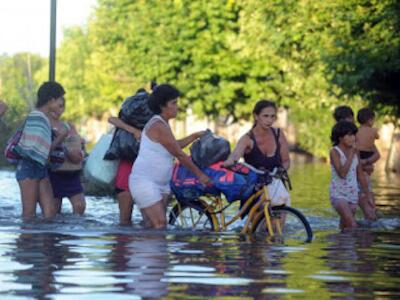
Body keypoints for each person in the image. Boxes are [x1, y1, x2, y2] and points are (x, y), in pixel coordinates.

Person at [129, 83, 212, 229]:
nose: (177, 106)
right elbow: (179, 153)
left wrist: (194, 136)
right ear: (162, 106)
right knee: (160, 224)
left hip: (160, 183)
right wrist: (200, 175)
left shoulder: (163, 123)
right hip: (145, 181)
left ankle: (143, 251)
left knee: (151, 226)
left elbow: (174, 146)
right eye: (173, 103)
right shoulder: (158, 125)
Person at [14, 81, 66, 220]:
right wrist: (60, 138)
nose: (61, 102)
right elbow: (34, 150)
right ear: (51, 100)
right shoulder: (37, 117)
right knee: (29, 214)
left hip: (40, 168)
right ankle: (26, 241)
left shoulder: (43, 119)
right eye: (60, 99)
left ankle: (44, 240)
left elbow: (42, 150)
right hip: (28, 168)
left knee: (50, 213)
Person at [332, 105, 377, 221]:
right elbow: (341, 169)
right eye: (340, 121)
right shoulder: (340, 139)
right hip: (344, 187)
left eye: (346, 120)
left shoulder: (357, 133)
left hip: (358, 181)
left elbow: (376, 154)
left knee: (370, 214)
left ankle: (361, 235)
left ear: (352, 118)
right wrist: (363, 164)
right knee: (350, 221)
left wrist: (365, 163)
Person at [223, 100, 290, 172]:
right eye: (265, 116)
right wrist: (226, 163)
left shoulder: (278, 134)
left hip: (276, 180)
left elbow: (286, 161)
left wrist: (279, 171)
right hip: (253, 182)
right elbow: (235, 156)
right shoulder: (247, 139)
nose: (270, 120)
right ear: (256, 116)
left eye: (272, 116)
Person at [329, 121, 371, 230]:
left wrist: (367, 194)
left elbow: (360, 174)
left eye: (353, 135)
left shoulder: (355, 151)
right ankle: (349, 245)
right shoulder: (335, 152)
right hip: (338, 194)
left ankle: (341, 245)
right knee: (352, 225)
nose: (353, 138)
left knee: (345, 227)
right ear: (340, 137)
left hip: (353, 194)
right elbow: (342, 173)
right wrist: (351, 154)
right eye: (349, 135)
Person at [48, 97, 86, 215]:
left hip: (71, 173)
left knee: (80, 207)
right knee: (54, 210)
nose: (57, 109)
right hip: (53, 173)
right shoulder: (44, 126)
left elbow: (78, 147)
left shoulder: (69, 126)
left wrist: (81, 145)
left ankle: (73, 230)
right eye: (54, 105)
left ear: (63, 109)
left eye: (61, 106)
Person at [108, 115, 141, 225]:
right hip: (126, 173)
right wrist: (133, 130)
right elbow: (111, 119)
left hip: (144, 173)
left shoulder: (155, 123)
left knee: (151, 221)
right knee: (125, 220)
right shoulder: (129, 120)